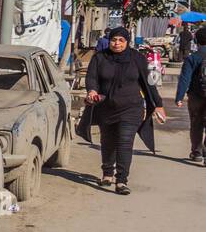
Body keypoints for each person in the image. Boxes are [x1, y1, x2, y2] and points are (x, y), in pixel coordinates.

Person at [79, 27, 167, 194]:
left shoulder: (138, 58)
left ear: (127, 42)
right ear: (109, 40)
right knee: (107, 141)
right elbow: (92, 77)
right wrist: (92, 90)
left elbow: (149, 83)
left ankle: (121, 181)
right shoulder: (100, 57)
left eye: (121, 40)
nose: (117, 43)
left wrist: (158, 104)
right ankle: (107, 173)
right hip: (106, 107)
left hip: (131, 107)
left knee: (125, 143)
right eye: (114, 40)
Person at [174, 26, 206, 164]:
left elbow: (185, 78)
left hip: (196, 96)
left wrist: (179, 97)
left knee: (196, 124)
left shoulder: (193, 58)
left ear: (197, 41)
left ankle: (197, 152)